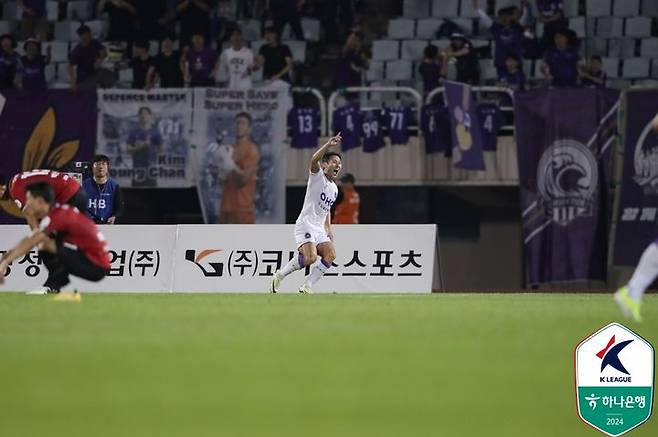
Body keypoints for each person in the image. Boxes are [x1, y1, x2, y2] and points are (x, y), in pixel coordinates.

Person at [0, 182, 111, 297]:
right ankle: (66, 291)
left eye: (28, 199)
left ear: (39, 201)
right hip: (95, 261)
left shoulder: (58, 216)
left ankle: (63, 289)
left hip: (96, 266)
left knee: (44, 244)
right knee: (45, 243)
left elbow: (32, 240)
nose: (26, 204)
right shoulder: (58, 213)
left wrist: (5, 262)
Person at [270, 133, 342, 294]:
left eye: (339, 163)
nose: (338, 166)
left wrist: (328, 229)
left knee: (331, 254)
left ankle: (307, 286)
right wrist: (328, 145)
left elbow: (327, 208)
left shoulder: (334, 189)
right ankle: (280, 275)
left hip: (319, 228)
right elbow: (313, 160)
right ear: (325, 165)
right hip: (305, 225)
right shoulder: (317, 177)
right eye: (334, 162)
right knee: (310, 258)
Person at [1, 169, 88, 229]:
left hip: (70, 196)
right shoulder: (16, 180)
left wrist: (36, 240)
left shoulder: (15, 190)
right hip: (75, 192)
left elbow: (30, 214)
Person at [218, 113, 261, 224]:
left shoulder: (251, 149)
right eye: (237, 123)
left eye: (242, 123)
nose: (238, 126)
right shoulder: (230, 149)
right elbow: (221, 180)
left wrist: (231, 165)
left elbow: (243, 180)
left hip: (243, 208)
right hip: (226, 207)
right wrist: (220, 170)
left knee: (244, 241)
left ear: (249, 128)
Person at [474, 0, 527, 76]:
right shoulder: (496, 28)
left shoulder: (517, 27)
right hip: (501, 61)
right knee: (502, 84)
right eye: (501, 16)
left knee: (518, 84)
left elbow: (524, 17)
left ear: (510, 17)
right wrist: (477, 8)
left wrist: (525, 6)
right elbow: (485, 18)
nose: (503, 18)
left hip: (516, 62)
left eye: (506, 16)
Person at [126, 106, 163, 187]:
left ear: (150, 116)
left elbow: (161, 150)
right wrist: (140, 146)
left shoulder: (155, 132)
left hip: (151, 169)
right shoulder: (133, 132)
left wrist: (152, 147)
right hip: (137, 169)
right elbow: (128, 150)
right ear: (138, 116)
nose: (143, 116)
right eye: (141, 114)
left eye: (146, 114)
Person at [83, 154, 124, 224]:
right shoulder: (83, 185)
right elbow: (78, 206)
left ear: (108, 168)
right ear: (92, 168)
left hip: (107, 224)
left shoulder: (114, 186)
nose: (101, 167)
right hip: (87, 224)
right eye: (97, 164)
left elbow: (119, 207)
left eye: (104, 164)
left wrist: (114, 216)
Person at [68, 24, 106, 90]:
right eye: (83, 37)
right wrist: (73, 81)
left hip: (95, 73)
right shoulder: (77, 50)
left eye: (88, 35)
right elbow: (70, 66)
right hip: (84, 78)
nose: (86, 38)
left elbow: (103, 52)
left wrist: (99, 60)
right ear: (80, 37)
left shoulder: (95, 42)